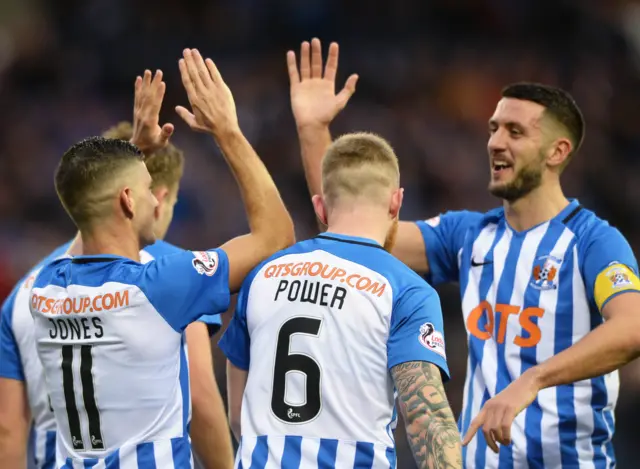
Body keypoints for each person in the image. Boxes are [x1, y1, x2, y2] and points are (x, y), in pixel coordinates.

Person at [289, 38, 640, 468]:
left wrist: (534, 379)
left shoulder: (592, 241)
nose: (494, 142)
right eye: (493, 128)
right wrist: (312, 131)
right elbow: (352, 221)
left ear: (557, 151)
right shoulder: (468, 235)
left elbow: (633, 328)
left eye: (515, 131)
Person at [27, 48, 294, 468]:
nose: (158, 199)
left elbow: (87, 208)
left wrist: (130, 152)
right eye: (149, 187)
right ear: (130, 201)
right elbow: (277, 237)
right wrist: (228, 131)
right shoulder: (160, 286)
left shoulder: (44, 288)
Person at [0, 69, 234, 469]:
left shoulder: (32, 288)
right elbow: (202, 399)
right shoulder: (168, 273)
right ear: (154, 196)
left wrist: (131, 149)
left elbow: (8, 429)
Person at [218, 132, 462, 469]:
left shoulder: (263, 275)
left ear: (320, 207)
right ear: (396, 202)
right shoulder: (406, 291)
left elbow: (238, 415)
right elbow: (426, 419)